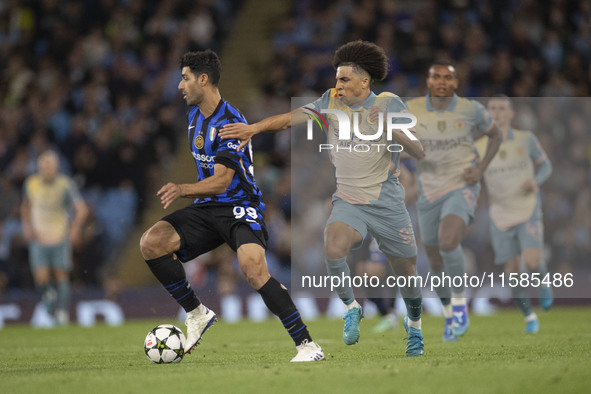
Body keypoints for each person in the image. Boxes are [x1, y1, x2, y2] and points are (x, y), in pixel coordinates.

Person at [220, 40, 426, 357]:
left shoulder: (388, 104)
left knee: (406, 272)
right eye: (336, 78)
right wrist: (254, 128)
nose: (337, 85)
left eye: (344, 79)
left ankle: (414, 331)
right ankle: (351, 307)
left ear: (364, 81)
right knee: (333, 246)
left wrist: (390, 127)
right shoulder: (330, 101)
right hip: (348, 200)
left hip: (387, 201)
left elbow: (418, 150)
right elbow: (290, 118)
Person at [139, 50, 323, 362]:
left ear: (203, 79)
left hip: (239, 205)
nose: (180, 86)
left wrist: (182, 188)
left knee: (253, 268)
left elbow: (222, 181)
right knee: (151, 243)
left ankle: (307, 345)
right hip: (208, 208)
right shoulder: (194, 117)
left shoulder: (230, 122)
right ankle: (196, 313)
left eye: (185, 79)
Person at [405, 61, 502, 342]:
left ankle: (460, 305)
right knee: (434, 258)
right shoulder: (411, 109)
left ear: (456, 83)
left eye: (448, 78)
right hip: (428, 192)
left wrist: (481, 168)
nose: (442, 82)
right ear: (428, 81)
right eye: (436, 77)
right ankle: (449, 312)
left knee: (449, 242)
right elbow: (392, 137)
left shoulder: (471, 110)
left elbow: (495, 134)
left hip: (463, 185)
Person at [476, 95, 553, 333]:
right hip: (500, 214)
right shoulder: (479, 147)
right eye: (493, 108)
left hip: (527, 208)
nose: (498, 112)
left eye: (502, 108)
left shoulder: (526, 139)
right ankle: (529, 317)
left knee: (531, 261)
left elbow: (546, 166)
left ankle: (544, 282)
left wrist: (536, 180)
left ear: (511, 113)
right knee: (512, 272)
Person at [21, 150, 89, 326]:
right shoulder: (31, 184)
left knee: (61, 275)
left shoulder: (66, 185)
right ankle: (49, 295)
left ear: (57, 167)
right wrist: (27, 226)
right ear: (38, 166)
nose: (46, 168)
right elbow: (25, 206)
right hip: (38, 238)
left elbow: (82, 209)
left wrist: (74, 230)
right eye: (43, 165)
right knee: (41, 278)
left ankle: (61, 312)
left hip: (59, 237)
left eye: (50, 165)